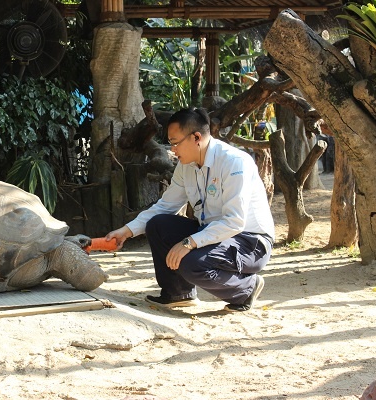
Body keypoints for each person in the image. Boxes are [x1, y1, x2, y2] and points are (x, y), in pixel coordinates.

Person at [105, 107, 275, 312]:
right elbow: (165, 206)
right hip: (212, 232)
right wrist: (126, 231)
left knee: (191, 264)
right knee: (158, 224)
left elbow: (234, 221)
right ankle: (178, 293)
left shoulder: (234, 162)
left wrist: (189, 243)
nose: (172, 150)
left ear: (196, 138)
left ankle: (246, 288)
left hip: (250, 241)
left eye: (175, 143)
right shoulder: (186, 165)